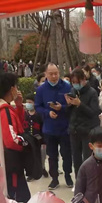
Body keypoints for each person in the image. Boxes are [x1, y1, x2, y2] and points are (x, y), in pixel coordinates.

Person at [0, 71, 31, 202]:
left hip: (4, 160)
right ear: (11, 89)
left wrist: (19, 106)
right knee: (19, 199)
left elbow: (16, 126)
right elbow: (11, 140)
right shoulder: (4, 111)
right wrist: (26, 144)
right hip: (10, 164)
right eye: (16, 86)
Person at [35, 62, 73, 190]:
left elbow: (72, 105)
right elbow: (37, 106)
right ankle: (54, 178)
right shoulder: (41, 89)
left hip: (64, 127)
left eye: (56, 73)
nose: (54, 76)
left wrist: (62, 107)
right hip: (49, 128)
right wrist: (48, 113)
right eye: (51, 74)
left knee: (66, 154)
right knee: (52, 155)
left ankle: (68, 175)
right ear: (46, 74)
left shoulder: (67, 87)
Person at [65, 67, 101, 176]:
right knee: (76, 159)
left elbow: (94, 112)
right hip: (74, 130)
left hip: (87, 131)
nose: (75, 84)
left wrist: (80, 104)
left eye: (77, 82)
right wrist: (68, 105)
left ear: (84, 79)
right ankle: (79, 180)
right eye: (73, 82)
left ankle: (89, 180)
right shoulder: (73, 91)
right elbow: (69, 113)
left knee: (87, 158)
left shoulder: (92, 92)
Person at [23, 93, 44, 182]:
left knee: (38, 156)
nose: (28, 104)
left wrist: (43, 140)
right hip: (28, 140)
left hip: (37, 140)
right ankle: (30, 174)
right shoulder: (25, 114)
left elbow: (42, 127)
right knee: (29, 157)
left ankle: (40, 170)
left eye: (30, 102)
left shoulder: (38, 115)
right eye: (27, 102)